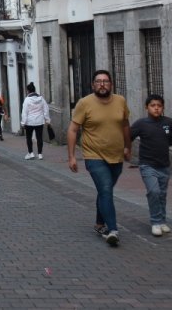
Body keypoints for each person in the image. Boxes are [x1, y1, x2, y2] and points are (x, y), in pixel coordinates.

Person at [67, 70, 131, 247]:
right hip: (93, 155)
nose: (102, 84)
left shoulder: (120, 101)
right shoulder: (84, 103)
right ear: (93, 85)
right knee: (105, 189)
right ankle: (113, 230)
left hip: (116, 156)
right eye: (98, 81)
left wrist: (128, 147)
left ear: (111, 84)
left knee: (105, 190)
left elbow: (125, 125)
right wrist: (71, 156)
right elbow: (73, 130)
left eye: (105, 81)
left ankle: (99, 223)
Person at [131, 94, 172, 236]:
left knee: (162, 194)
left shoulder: (168, 123)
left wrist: (170, 141)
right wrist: (125, 149)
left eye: (159, 106)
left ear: (163, 108)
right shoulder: (141, 124)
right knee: (153, 192)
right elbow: (128, 136)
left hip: (164, 166)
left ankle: (162, 221)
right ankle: (155, 222)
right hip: (147, 165)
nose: (156, 108)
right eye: (153, 106)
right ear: (147, 107)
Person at [20, 83, 49, 160]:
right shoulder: (41, 98)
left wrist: (23, 122)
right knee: (39, 138)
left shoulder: (27, 100)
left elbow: (24, 112)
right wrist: (47, 119)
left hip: (29, 122)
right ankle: (40, 154)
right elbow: (46, 109)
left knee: (29, 138)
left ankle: (31, 153)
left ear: (28, 90)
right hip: (39, 121)